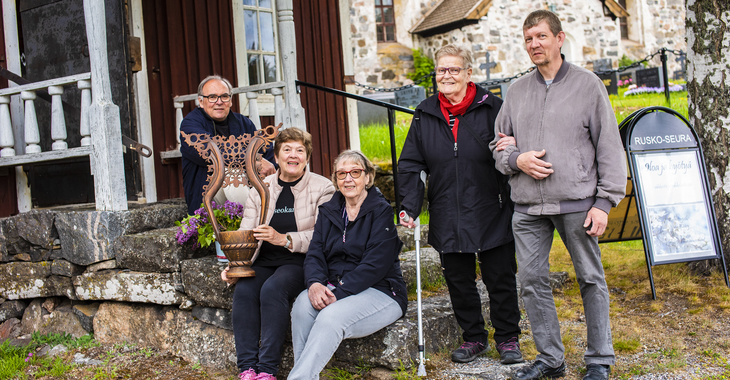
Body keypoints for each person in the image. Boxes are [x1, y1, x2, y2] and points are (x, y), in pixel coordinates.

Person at [490, 10, 626, 380]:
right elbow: (498, 146)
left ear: (559, 38)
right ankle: (551, 359)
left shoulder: (588, 85)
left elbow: (610, 149)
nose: (534, 44)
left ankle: (599, 359)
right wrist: (517, 159)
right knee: (531, 282)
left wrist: (604, 202)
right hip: (529, 208)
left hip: (578, 204)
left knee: (590, 279)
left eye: (541, 37)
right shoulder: (516, 92)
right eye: (528, 38)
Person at [397, 44, 523, 365]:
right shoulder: (425, 114)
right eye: (442, 70)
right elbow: (411, 164)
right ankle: (474, 338)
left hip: (490, 205)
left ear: (468, 73)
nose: (447, 75)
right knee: (458, 278)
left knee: (500, 276)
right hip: (446, 209)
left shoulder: (493, 107)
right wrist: (409, 207)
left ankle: (508, 338)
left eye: (454, 69)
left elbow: (513, 149)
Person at [220, 127, 335, 380]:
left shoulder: (323, 187)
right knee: (245, 288)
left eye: (300, 150)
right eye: (287, 150)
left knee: (273, 288)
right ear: (276, 156)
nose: (293, 156)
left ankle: (268, 369)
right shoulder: (260, 189)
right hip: (264, 259)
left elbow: (324, 235)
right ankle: (247, 368)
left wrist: (284, 239)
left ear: (307, 156)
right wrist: (235, 264)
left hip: (301, 260)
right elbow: (246, 231)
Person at [287, 150, 407, 380]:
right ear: (335, 180)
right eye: (341, 174)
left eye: (355, 172)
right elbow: (315, 254)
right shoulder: (328, 211)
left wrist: (337, 292)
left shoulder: (381, 211)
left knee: (330, 317)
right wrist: (314, 284)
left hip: (382, 291)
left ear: (368, 177)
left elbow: (375, 265)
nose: (348, 179)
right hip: (337, 287)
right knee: (302, 304)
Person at [180, 75, 276, 216]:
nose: (219, 102)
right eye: (212, 97)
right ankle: (256, 223)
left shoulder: (244, 123)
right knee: (233, 177)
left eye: (224, 96)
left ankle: (263, 220)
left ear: (230, 101)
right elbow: (209, 153)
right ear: (201, 101)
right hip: (207, 197)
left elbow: (265, 153)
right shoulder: (190, 125)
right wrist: (253, 160)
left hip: (247, 192)